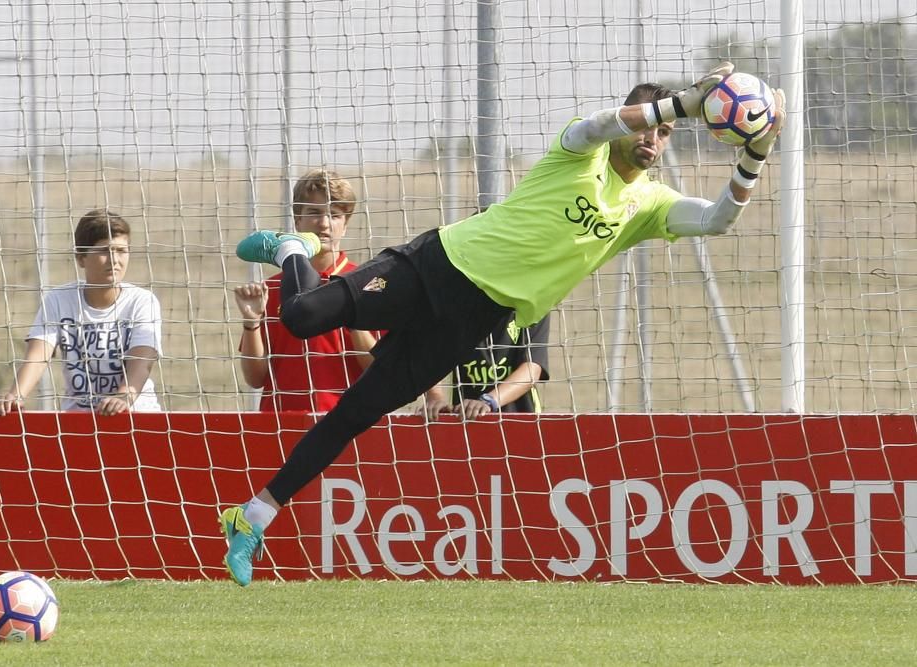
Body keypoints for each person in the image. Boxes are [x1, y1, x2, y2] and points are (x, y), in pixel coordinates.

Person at [219, 62, 786, 585]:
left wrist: (755, 152)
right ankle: (293, 246)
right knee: (300, 316)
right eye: (647, 124)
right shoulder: (578, 150)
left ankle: (252, 519)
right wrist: (686, 103)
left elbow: (718, 219)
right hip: (437, 265)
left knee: (358, 413)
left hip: (476, 317)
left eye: (664, 135)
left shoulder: (650, 205)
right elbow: (603, 123)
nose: (651, 139)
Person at [0, 209, 162, 416]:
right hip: (79, 422)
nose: (114, 260)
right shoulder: (59, 300)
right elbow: (38, 357)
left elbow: (142, 361)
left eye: (121, 251)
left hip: (137, 418)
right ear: (81, 258)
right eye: (104, 251)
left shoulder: (142, 301)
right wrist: (15, 395)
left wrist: (123, 397)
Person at [233, 169, 378, 412]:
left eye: (334, 215)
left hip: (350, 422)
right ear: (297, 220)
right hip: (279, 423)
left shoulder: (368, 283)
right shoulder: (273, 288)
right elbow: (255, 379)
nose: (323, 224)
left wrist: (354, 315)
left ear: (346, 224)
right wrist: (251, 323)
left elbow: (379, 370)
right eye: (314, 213)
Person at [417, 312, 551, 418]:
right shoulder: (458, 302)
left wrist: (488, 401)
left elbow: (532, 370)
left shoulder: (532, 305)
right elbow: (432, 354)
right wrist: (436, 397)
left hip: (521, 421)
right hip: (465, 418)